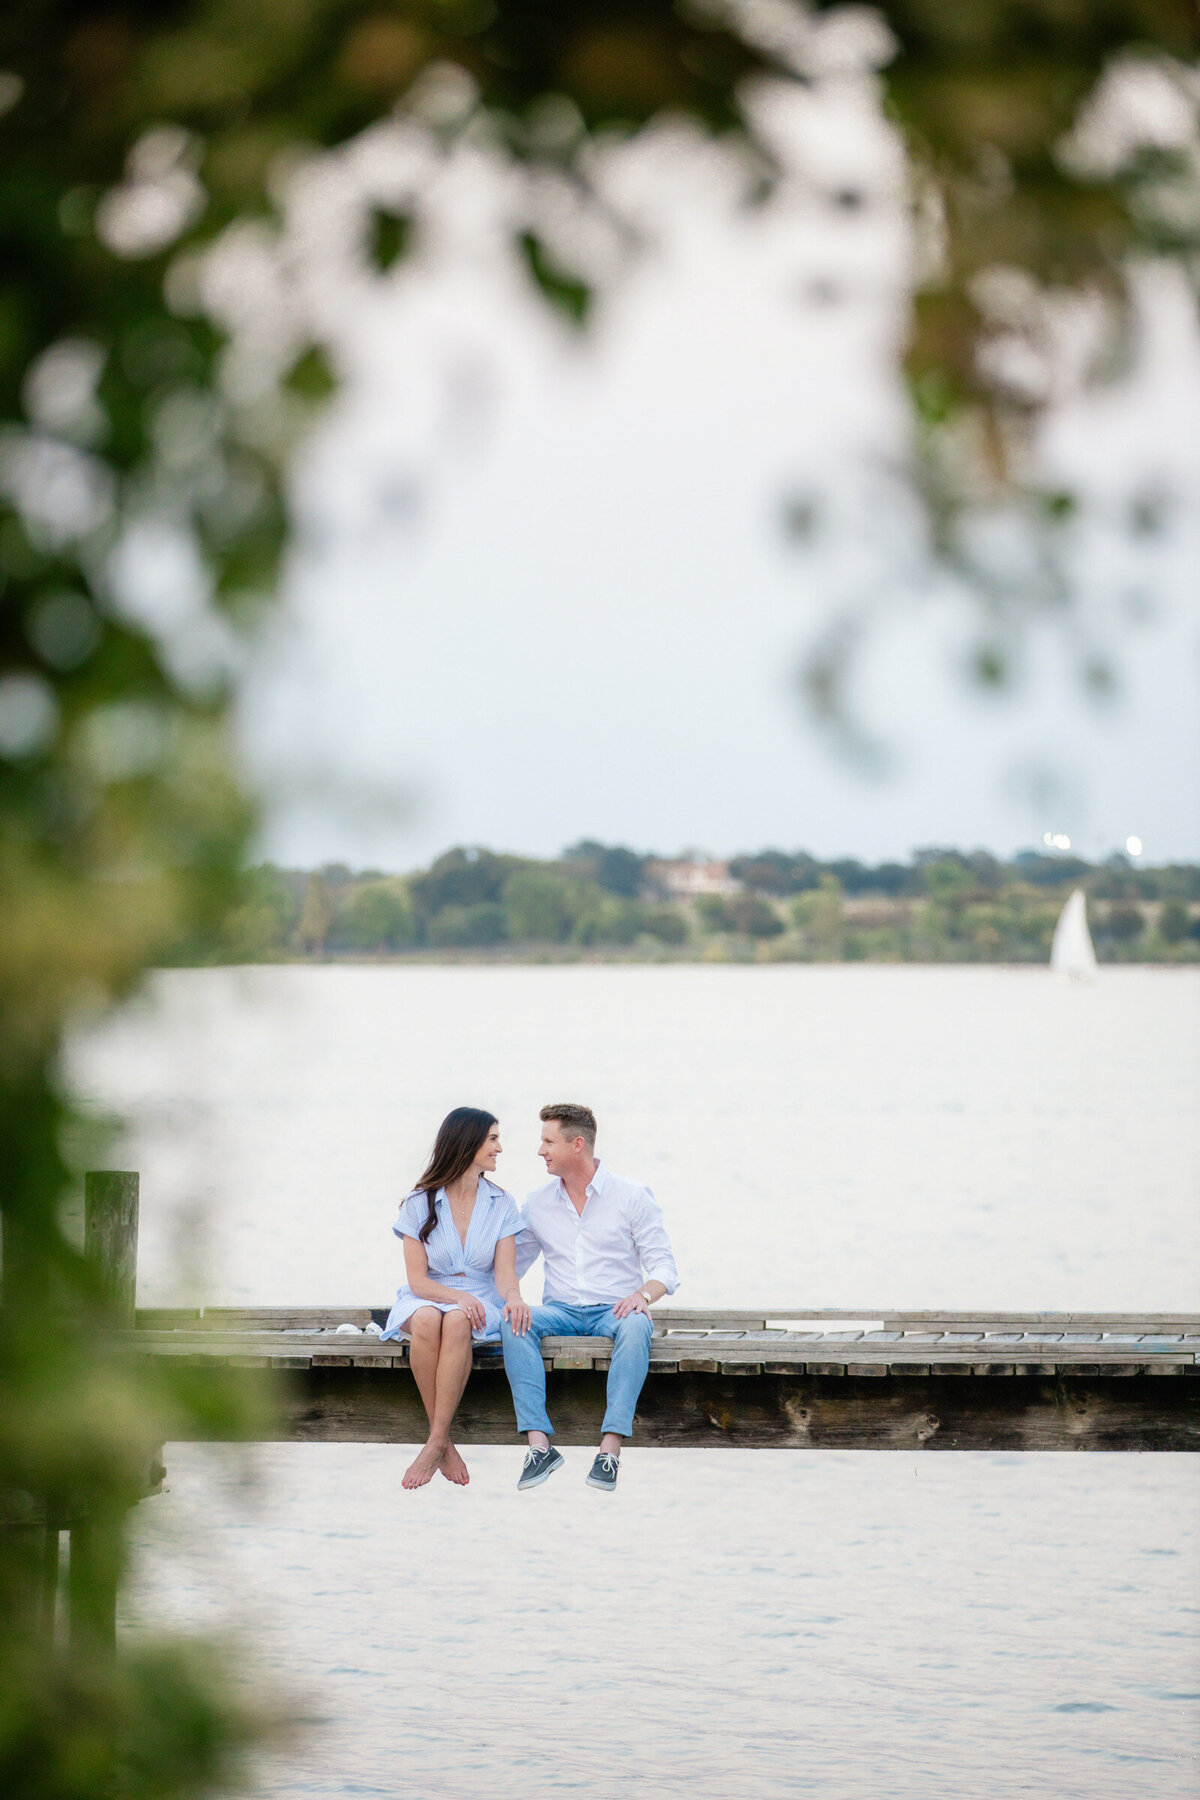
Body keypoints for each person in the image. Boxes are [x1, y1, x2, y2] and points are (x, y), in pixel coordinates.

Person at [500, 1103, 679, 1493]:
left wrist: (642, 1295)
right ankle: (539, 1446)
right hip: (560, 1311)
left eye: (548, 1141)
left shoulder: (631, 1196)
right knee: (512, 1321)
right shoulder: (538, 1202)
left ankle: (610, 1450)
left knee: (637, 1322)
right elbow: (511, 1264)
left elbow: (664, 1266)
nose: (540, 1150)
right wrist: (512, 1296)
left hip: (614, 1310)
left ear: (576, 1144)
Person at [382, 1106, 530, 1490]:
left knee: (458, 1319)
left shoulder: (502, 1204)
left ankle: (433, 1442)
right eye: (493, 1139)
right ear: (468, 1143)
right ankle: (442, 1441)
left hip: (479, 1301)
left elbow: (504, 1274)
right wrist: (455, 1297)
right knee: (432, 1317)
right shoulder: (419, 1202)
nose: (500, 1147)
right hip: (428, 1294)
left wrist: (513, 1298)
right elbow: (417, 1281)